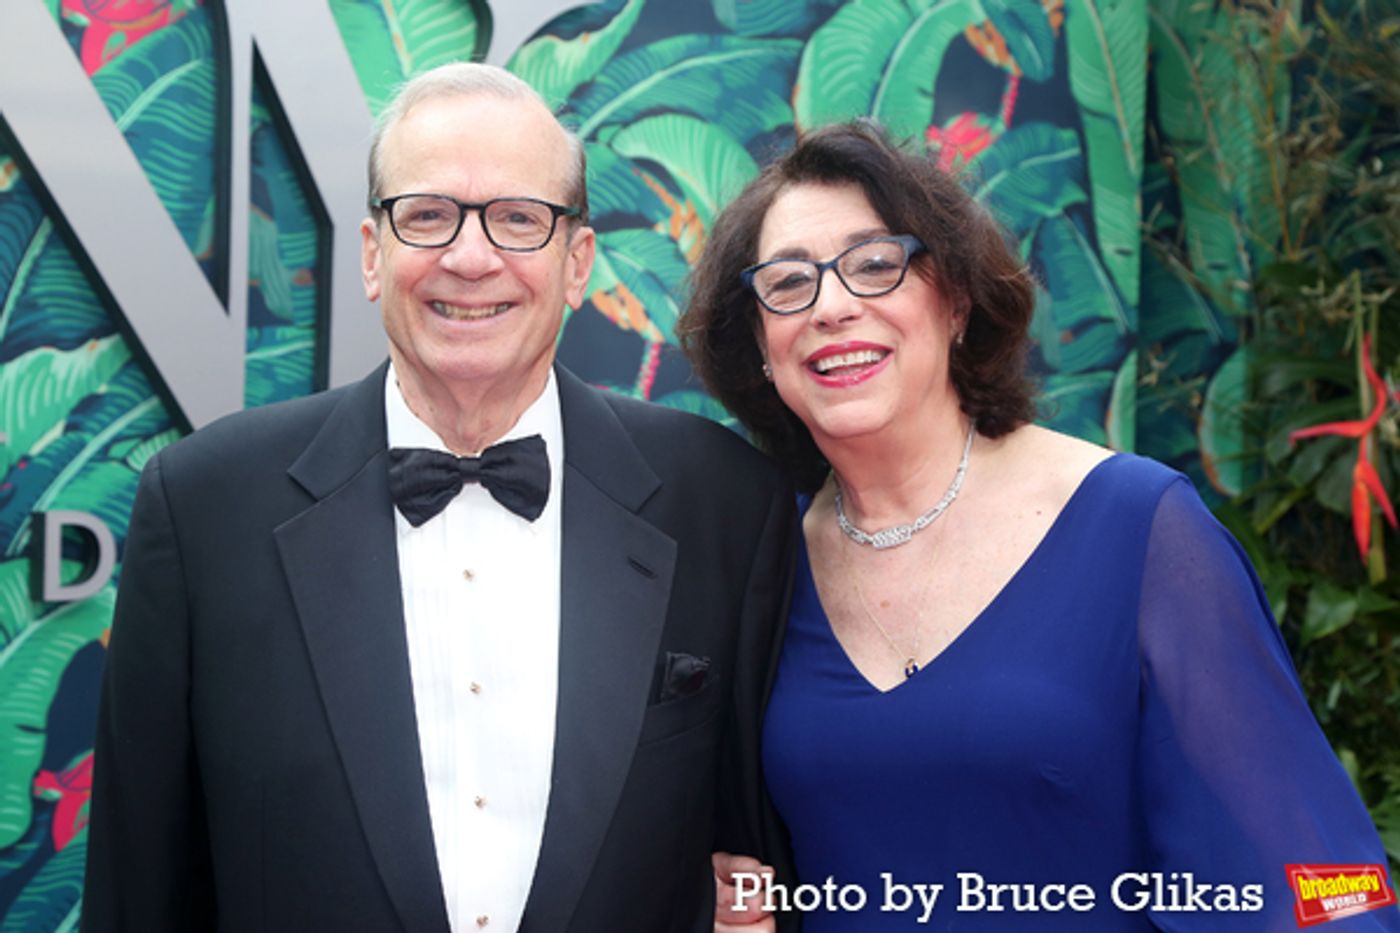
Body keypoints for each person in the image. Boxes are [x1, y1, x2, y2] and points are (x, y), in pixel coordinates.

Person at [82, 62, 795, 933]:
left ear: (577, 265)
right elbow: (137, 889)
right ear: (373, 255)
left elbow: (763, 858)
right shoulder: (202, 507)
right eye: (427, 215)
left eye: (518, 218)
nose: (469, 255)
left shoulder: (725, 502)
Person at [681, 122, 1400, 931]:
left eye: (876, 265)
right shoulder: (760, 564)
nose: (833, 306)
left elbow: (1322, 878)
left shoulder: (1138, 525)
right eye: (787, 284)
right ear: (761, 349)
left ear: (954, 300)